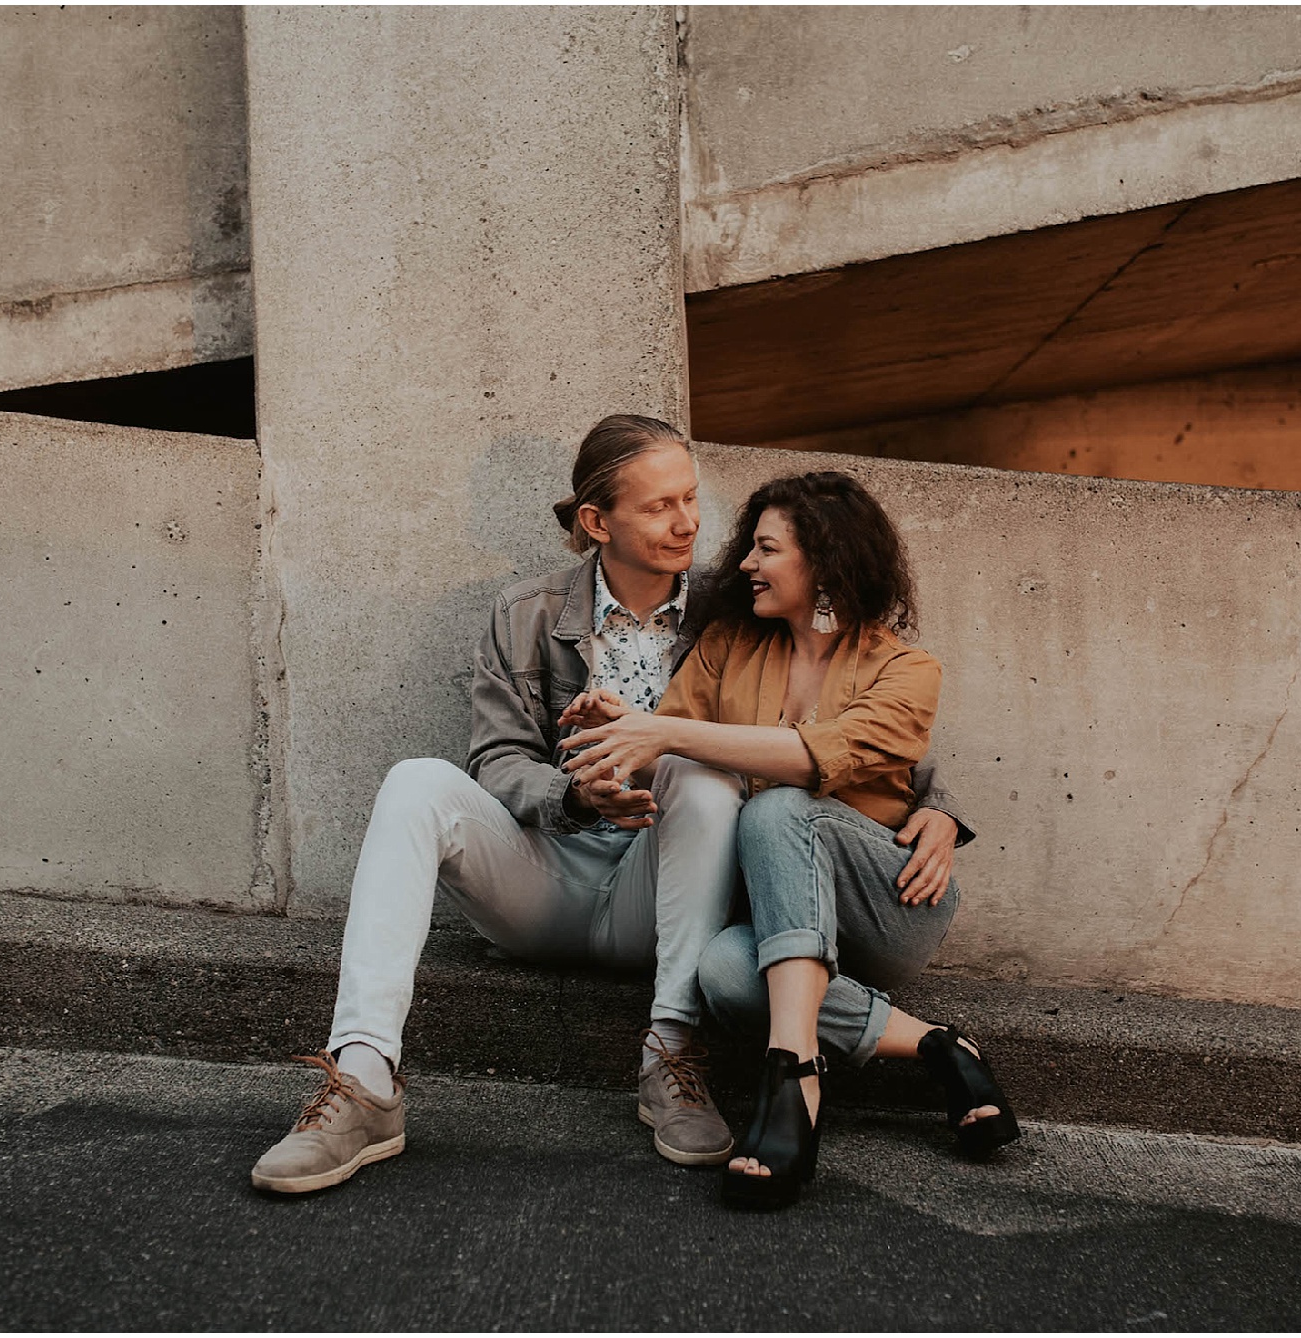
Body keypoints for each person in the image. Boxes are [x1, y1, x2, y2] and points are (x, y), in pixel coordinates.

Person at [250, 418, 969, 1193]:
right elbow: (494, 760)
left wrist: (942, 808)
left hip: (660, 894)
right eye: (661, 506)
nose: (688, 522)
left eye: (691, 499)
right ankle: (362, 1080)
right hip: (543, 876)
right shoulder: (525, 613)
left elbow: (864, 724)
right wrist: (573, 790)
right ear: (598, 522)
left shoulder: (728, 612)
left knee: (700, 774)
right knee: (417, 781)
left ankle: (670, 1053)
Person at [558, 469, 1020, 1209]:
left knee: (779, 809)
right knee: (722, 972)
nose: (744, 562)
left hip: (888, 901)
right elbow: (669, 759)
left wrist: (667, 729)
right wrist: (618, 729)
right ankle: (936, 1045)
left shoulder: (908, 670)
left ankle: (792, 1076)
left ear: (828, 562)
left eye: (766, 549)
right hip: (776, 912)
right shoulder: (728, 645)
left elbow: (819, 757)